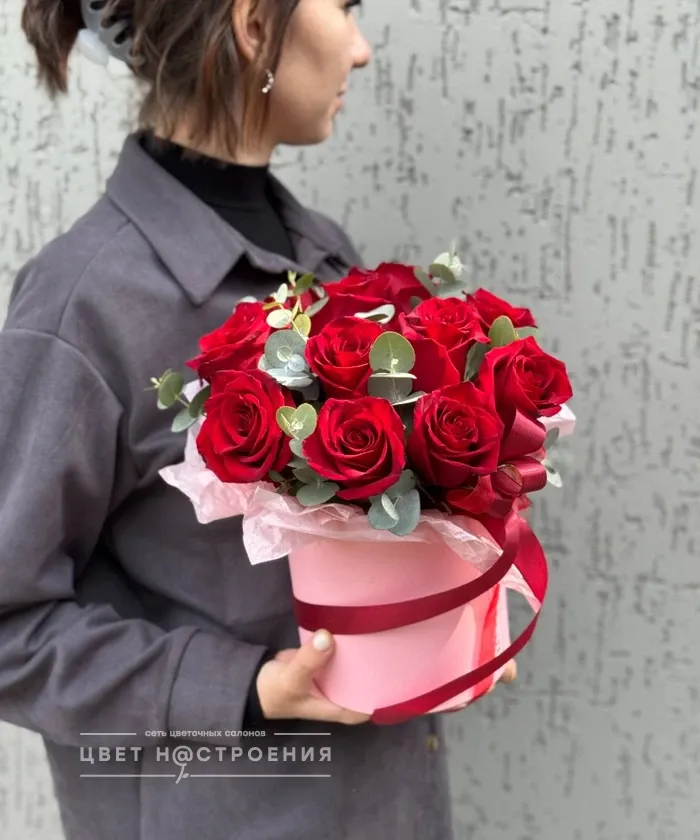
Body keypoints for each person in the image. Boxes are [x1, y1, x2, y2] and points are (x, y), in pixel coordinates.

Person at [0, 1, 516, 838]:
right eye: (343, 7)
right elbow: (10, 626)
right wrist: (243, 688)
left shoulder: (328, 258)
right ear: (251, 25)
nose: (360, 50)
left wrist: (449, 619)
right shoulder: (84, 303)